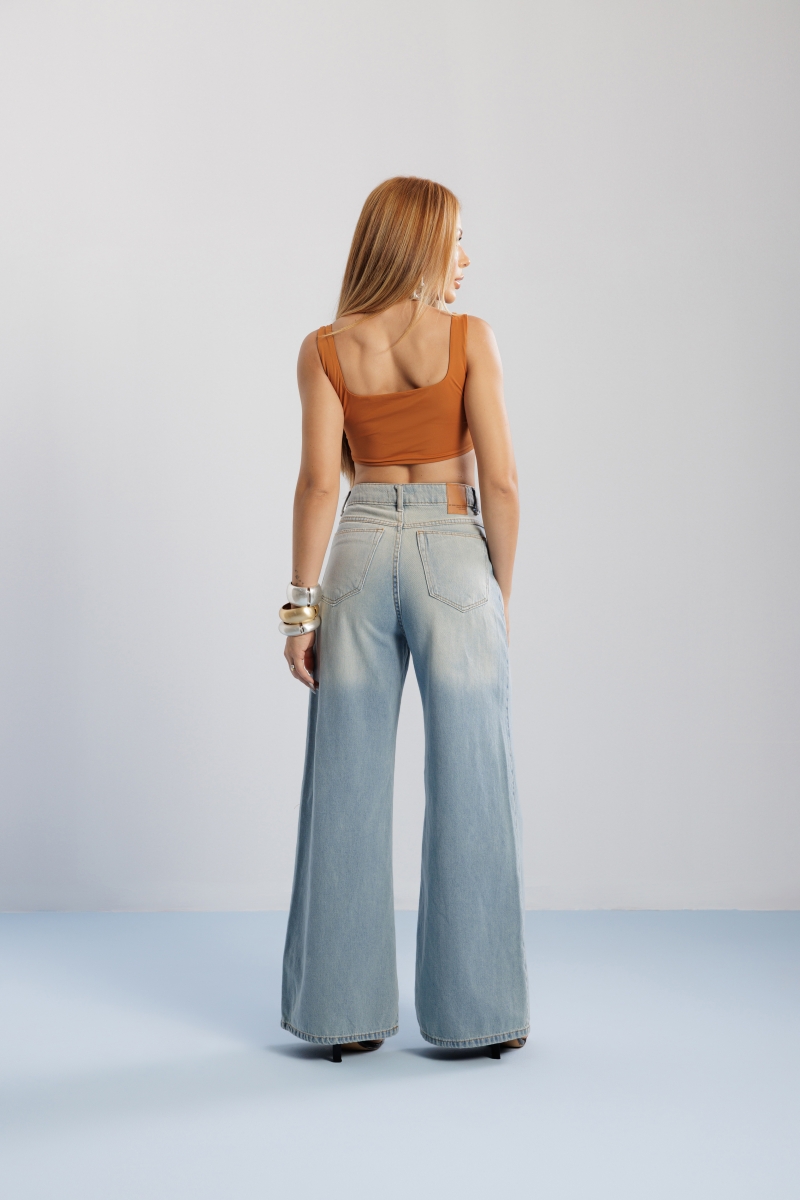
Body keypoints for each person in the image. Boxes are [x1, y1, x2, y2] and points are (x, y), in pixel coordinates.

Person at [279, 176, 529, 1061]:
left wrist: (299, 610)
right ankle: (477, 1017)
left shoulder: (324, 349)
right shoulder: (469, 338)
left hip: (356, 549)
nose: (465, 259)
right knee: (473, 777)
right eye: (455, 240)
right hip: (453, 546)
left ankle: (339, 1017)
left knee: (343, 780)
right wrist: (498, 594)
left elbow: (320, 483)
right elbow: (501, 482)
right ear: (418, 243)